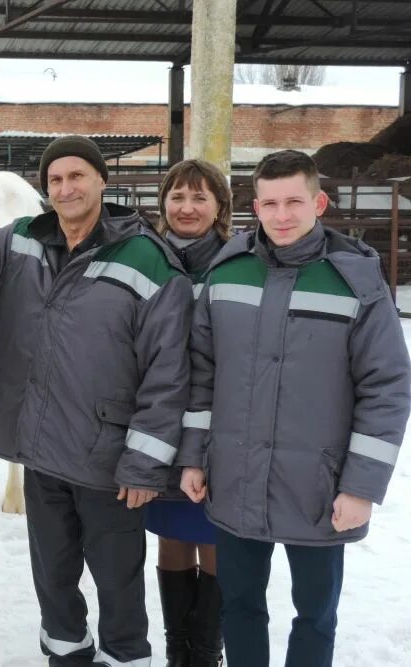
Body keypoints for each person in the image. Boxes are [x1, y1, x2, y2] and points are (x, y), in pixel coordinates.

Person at [0, 136, 194, 667]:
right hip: (42, 452)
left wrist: (144, 467)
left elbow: (169, 374)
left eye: (77, 176)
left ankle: (126, 659)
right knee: (53, 581)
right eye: (55, 180)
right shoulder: (25, 240)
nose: (65, 188)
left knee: (118, 585)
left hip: (110, 462)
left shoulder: (148, 260)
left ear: (101, 181)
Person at [178, 149, 410, 666]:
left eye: (294, 202)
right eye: (270, 204)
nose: (282, 216)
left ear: (319, 202)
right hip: (234, 479)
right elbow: (200, 373)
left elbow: (387, 387)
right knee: (238, 604)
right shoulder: (228, 271)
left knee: (315, 613)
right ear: (253, 207)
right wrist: (194, 457)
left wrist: (360, 487)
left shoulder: (356, 283)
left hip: (320, 490)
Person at [145, 159, 233, 667]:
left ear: (220, 206)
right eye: (177, 196)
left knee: (213, 531)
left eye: (200, 198)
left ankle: (206, 651)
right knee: (174, 531)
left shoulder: (238, 260)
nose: (187, 207)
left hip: (219, 419)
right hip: (160, 418)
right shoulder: (150, 258)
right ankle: (179, 649)